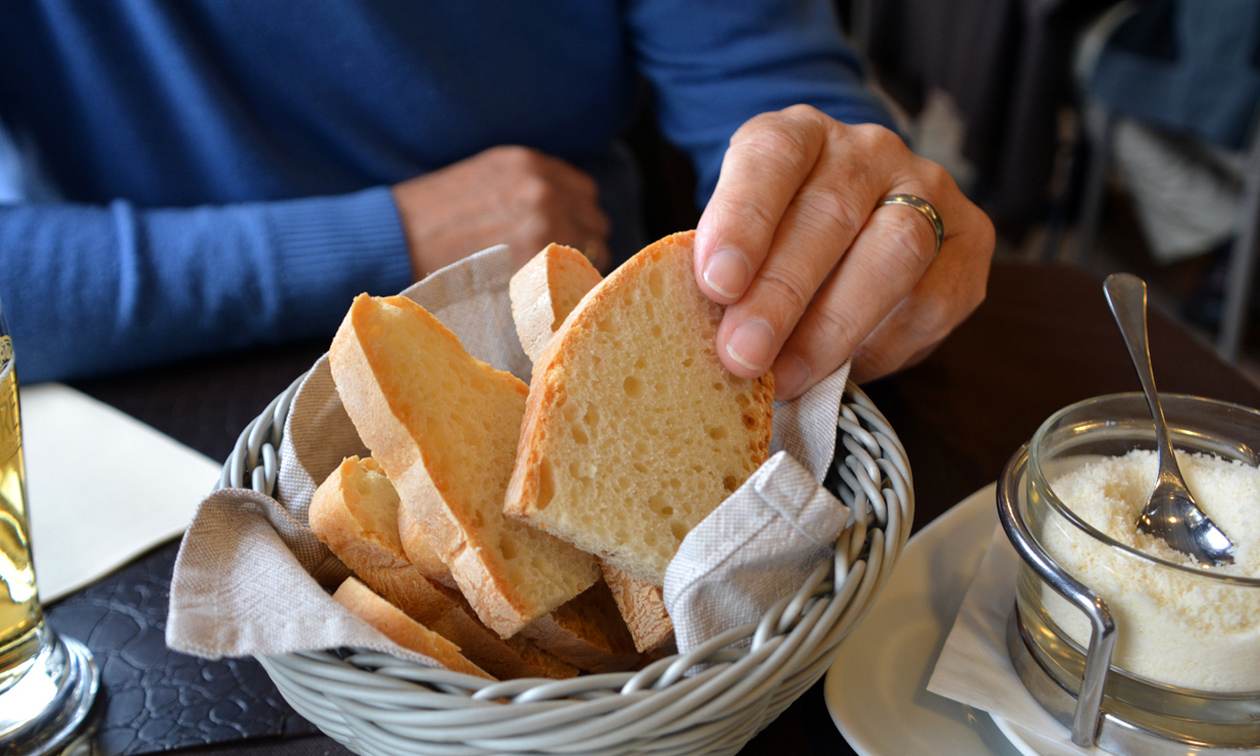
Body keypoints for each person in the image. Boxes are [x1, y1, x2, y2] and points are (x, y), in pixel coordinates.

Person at [0, 1, 993, 395]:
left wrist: (851, 203)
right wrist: (388, 235)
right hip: (139, 426)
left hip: (572, 367)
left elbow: (768, 87)